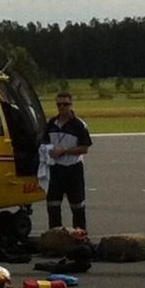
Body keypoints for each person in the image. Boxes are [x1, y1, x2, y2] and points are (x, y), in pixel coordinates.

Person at [41, 92, 92, 235]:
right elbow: (44, 142)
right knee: (53, 205)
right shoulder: (51, 123)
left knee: (77, 206)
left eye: (65, 104)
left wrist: (65, 151)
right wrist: (47, 150)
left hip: (73, 169)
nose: (62, 107)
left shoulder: (78, 125)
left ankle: (80, 237)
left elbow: (85, 148)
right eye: (59, 104)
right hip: (55, 169)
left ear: (71, 105)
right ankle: (55, 238)